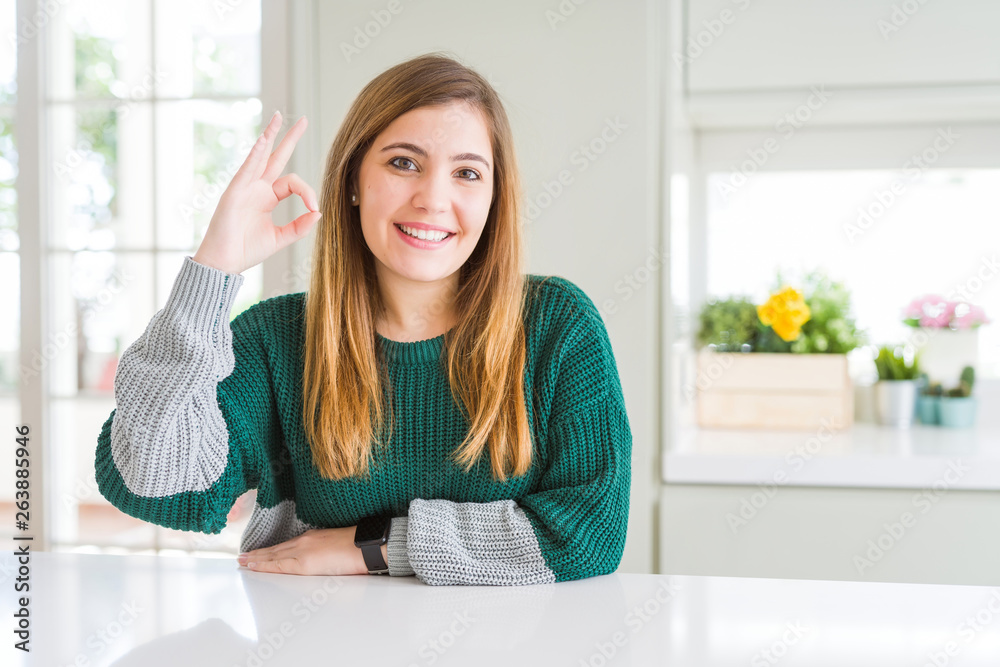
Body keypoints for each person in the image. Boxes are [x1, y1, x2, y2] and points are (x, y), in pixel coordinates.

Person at [94, 52, 633, 586]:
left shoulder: (557, 325)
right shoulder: (275, 339)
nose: (433, 199)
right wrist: (212, 269)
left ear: (494, 198)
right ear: (353, 180)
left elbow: (586, 535)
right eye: (404, 163)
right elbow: (157, 483)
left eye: (467, 173)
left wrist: (372, 547)